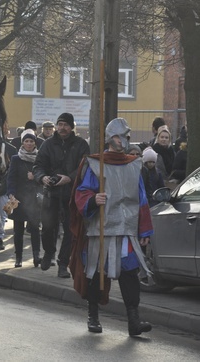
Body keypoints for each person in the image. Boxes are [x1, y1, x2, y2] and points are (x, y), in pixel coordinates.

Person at [69, 118, 153, 337]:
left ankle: (133, 322)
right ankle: (93, 316)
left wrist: (144, 230)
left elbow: (141, 198)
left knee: (129, 274)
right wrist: (93, 199)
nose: (124, 140)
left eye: (126, 136)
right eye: (120, 136)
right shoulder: (96, 163)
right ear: (110, 138)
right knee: (96, 274)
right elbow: (82, 192)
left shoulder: (134, 164)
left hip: (126, 231)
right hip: (101, 231)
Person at [33, 112, 90, 278]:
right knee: (48, 228)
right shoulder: (48, 145)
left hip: (72, 195)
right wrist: (42, 177)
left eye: (66, 125)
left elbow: (85, 166)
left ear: (72, 127)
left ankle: (63, 263)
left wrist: (69, 178)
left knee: (69, 231)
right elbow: (38, 165)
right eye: (60, 124)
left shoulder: (80, 145)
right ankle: (49, 252)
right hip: (51, 193)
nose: (62, 128)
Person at [7, 129, 43, 267]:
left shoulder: (40, 158)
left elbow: (44, 176)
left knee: (35, 229)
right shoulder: (16, 158)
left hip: (34, 199)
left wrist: (35, 178)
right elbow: (11, 179)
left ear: (35, 143)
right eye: (26, 141)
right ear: (22, 143)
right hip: (19, 199)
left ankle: (36, 256)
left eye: (31, 141)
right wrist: (11, 193)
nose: (29, 144)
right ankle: (18, 258)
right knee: (18, 231)